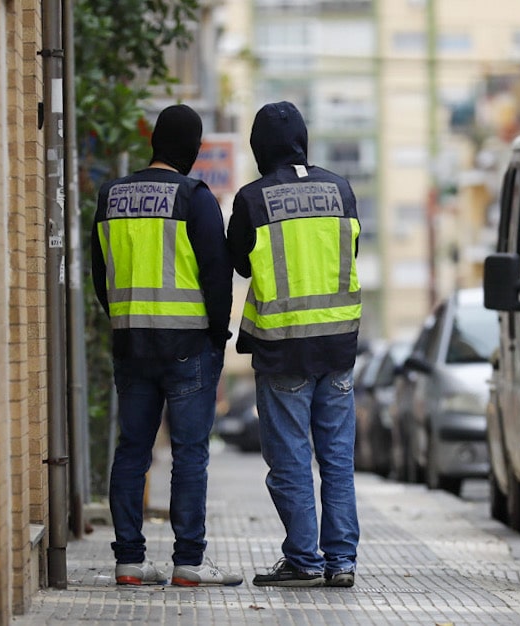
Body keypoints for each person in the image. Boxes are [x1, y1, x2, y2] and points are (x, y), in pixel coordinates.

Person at [91, 103, 242, 587]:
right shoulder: (194, 198)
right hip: (188, 346)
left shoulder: (110, 196)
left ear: (155, 142)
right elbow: (217, 278)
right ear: (192, 149)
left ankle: (129, 561)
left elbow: (100, 275)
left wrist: (123, 318)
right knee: (189, 453)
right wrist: (217, 337)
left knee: (132, 450)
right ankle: (189, 562)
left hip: (131, 343)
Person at [227, 101, 361, 588]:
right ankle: (342, 561)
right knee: (337, 460)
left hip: (284, 350)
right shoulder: (341, 190)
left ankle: (304, 559)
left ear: (259, 147)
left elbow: (240, 264)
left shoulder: (252, 199)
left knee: (290, 461)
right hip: (338, 348)